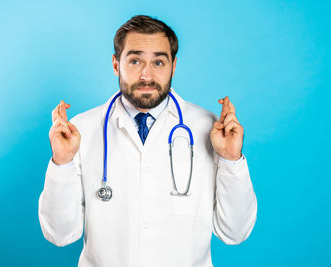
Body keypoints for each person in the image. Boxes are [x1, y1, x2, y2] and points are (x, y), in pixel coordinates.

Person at [38, 15, 257, 267]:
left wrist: (231, 161)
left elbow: (235, 232)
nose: (146, 74)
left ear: (173, 66)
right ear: (115, 65)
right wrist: (62, 164)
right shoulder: (81, 130)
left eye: (158, 62)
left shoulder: (209, 129)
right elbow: (60, 234)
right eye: (134, 60)